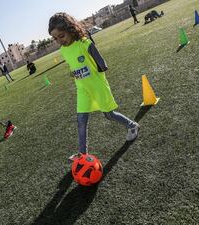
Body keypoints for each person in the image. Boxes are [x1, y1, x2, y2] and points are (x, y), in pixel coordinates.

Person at [48, 13, 140, 161]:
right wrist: (75, 73)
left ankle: (132, 125)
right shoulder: (64, 51)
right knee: (81, 120)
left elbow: (102, 63)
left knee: (109, 114)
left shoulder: (85, 44)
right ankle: (82, 154)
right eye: (55, 38)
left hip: (97, 86)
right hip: (82, 89)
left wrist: (99, 68)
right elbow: (74, 65)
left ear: (71, 29)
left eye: (61, 36)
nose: (59, 41)